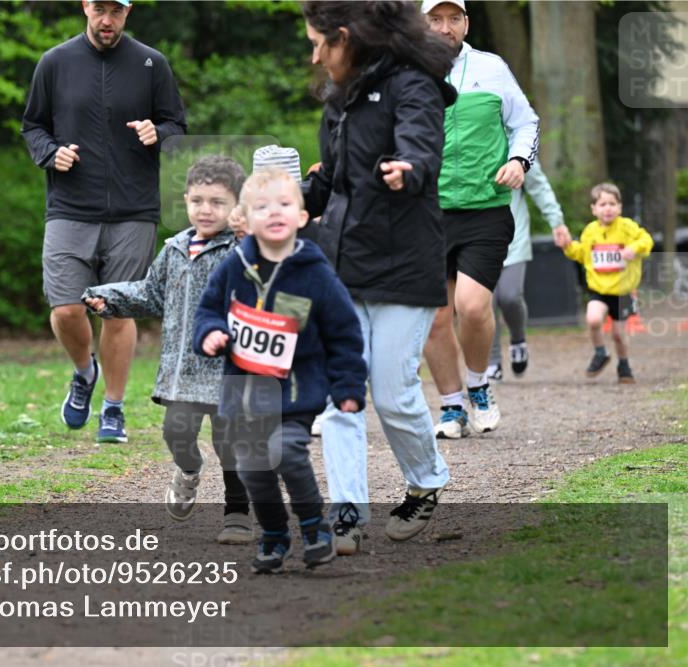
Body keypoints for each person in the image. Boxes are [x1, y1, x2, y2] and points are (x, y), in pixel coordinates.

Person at [300, 0, 455, 548]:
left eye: (320, 43)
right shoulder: (337, 99)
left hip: (405, 261)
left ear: (345, 37)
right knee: (341, 395)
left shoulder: (414, 86)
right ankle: (347, 510)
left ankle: (426, 481)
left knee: (392, 393)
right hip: (343, 263)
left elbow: (422, 148)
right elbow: (329, 181)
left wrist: (406, 168)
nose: (315, 55)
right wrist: (288, 203)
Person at [22, 0, 187, 444]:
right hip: (70, 206)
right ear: (85, 7)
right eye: (100, 9)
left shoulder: (152, 63)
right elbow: (32, 126)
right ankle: (83, 371)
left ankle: (113, 409)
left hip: (134, 209)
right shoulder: (55, 63)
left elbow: (177, 125)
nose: (107, 20)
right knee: (66, 308)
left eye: (116, 11)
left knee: (118, 312)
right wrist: (49, 153)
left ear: (128, 13)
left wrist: (160, 133)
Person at [194, 168, 368, 574]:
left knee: (288, 452)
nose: (275, 213)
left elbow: (344, 333)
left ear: (302, 218)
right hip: (245, 391)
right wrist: (211, 333)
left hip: (296, 389)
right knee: (252, 467)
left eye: (285, 205)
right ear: (245, 221)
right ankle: (274, 533)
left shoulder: (316, 273)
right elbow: (207, 310)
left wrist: (348, 386)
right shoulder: (233, 267)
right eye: (263, 207)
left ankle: (314, 528)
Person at [82, 155, 253, 544]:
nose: (205, 210)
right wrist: (107, 299)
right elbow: (150, 293)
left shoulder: (243, 253)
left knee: (231, 445)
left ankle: (237, 513)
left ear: (236, 207)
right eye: (197, 201)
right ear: (186, 201)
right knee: (177, 434)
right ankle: (189, 470)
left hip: (230, 372)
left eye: (217, 202)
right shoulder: (175, 248)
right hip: (182, 372)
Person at [422, 0, 540, 439]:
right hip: (426, 212)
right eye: (435, 19)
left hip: (484, 208)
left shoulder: (491, 68)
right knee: (435, 317)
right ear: (422, 24)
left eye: (454, 19)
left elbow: (526, 122)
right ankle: (452, 407)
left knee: (472, 307)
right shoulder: (405, 73)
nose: (445, 28)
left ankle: (478, 384)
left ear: (467, 23)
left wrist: (517, 160)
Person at [486, 160, 571, 381]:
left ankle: (518, 340)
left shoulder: (518, 147)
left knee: (510, 296)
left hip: (513, 238)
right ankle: (492, 362)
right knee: (486, 302)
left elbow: (539, 186)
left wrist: (557, 222)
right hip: (476, 240)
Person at [562, 183, 653, 383]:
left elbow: (646, 240)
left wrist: (634, 248)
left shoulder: (627, 227)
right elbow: (581, 254)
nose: (608, 208)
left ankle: (624, 364)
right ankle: (600, 353)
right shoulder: (590, 231)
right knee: (593, 319)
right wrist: (568, 246)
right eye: (602, 204)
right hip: (599, 289)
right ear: (594, 209)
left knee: (619, 335)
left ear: (619, 207)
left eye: (612, 204)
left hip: (622, 291)